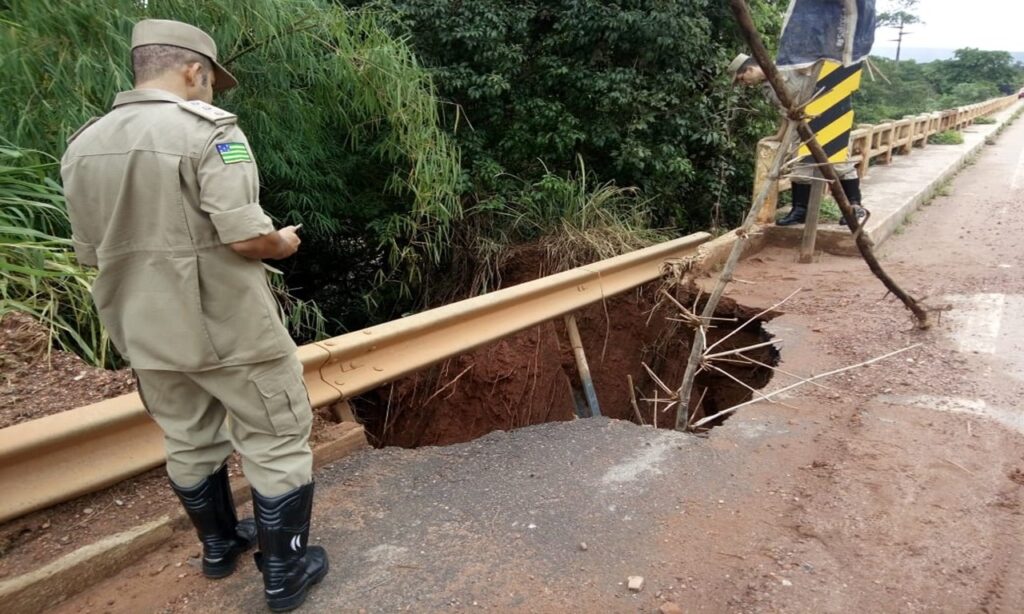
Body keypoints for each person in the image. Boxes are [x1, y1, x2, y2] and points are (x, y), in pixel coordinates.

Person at [61, 19, 327, 612]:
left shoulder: (84, 143)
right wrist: (281, 242)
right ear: (192, 70)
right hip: (229, 327)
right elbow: (244, 237)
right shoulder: (209, 132)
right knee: (277, 438)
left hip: (144, 330)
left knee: (187, 437)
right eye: (211, 81)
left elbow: (87, 251)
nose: (211, 93)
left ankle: (218, 546)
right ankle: (285, 573)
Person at [729, 53, 867, 227]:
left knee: (839, 165)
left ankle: (853, 208)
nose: (744, 84)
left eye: (742, 78)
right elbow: (786, 112)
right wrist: (779, 136)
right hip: (800, 126)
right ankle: (800, 210)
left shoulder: (788, 62)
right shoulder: (765, 87)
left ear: (750, 69)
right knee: (800, 169)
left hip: (827, 114)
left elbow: (818, 64)